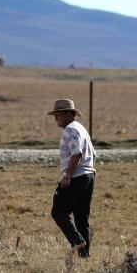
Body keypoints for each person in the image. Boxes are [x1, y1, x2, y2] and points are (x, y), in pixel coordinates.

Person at [48, 98, 96, 257]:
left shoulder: (70, 130)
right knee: (81, 217)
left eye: (58, 114)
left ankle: (76, 241)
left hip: (77, 175)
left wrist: (68, 175)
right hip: (89, 175)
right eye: (55, 115)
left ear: (69, 114)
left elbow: (76, 153)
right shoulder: (81, 128)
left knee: (58, 211)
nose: (56, 118)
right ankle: (84, 255)